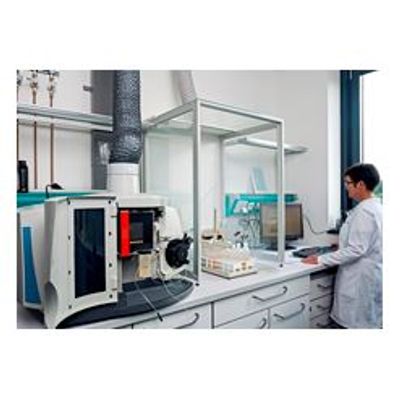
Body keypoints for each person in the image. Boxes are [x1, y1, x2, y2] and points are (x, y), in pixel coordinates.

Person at [303, 163, 382, 329]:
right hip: (371, 274)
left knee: (354, 324)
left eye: (348, 183)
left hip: (359, 279)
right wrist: (342, 244)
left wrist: (320, 259)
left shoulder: (364, 212)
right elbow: (370, 241)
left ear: (361, 184)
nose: (346, 187)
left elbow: (356, 249)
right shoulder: (376, 208)